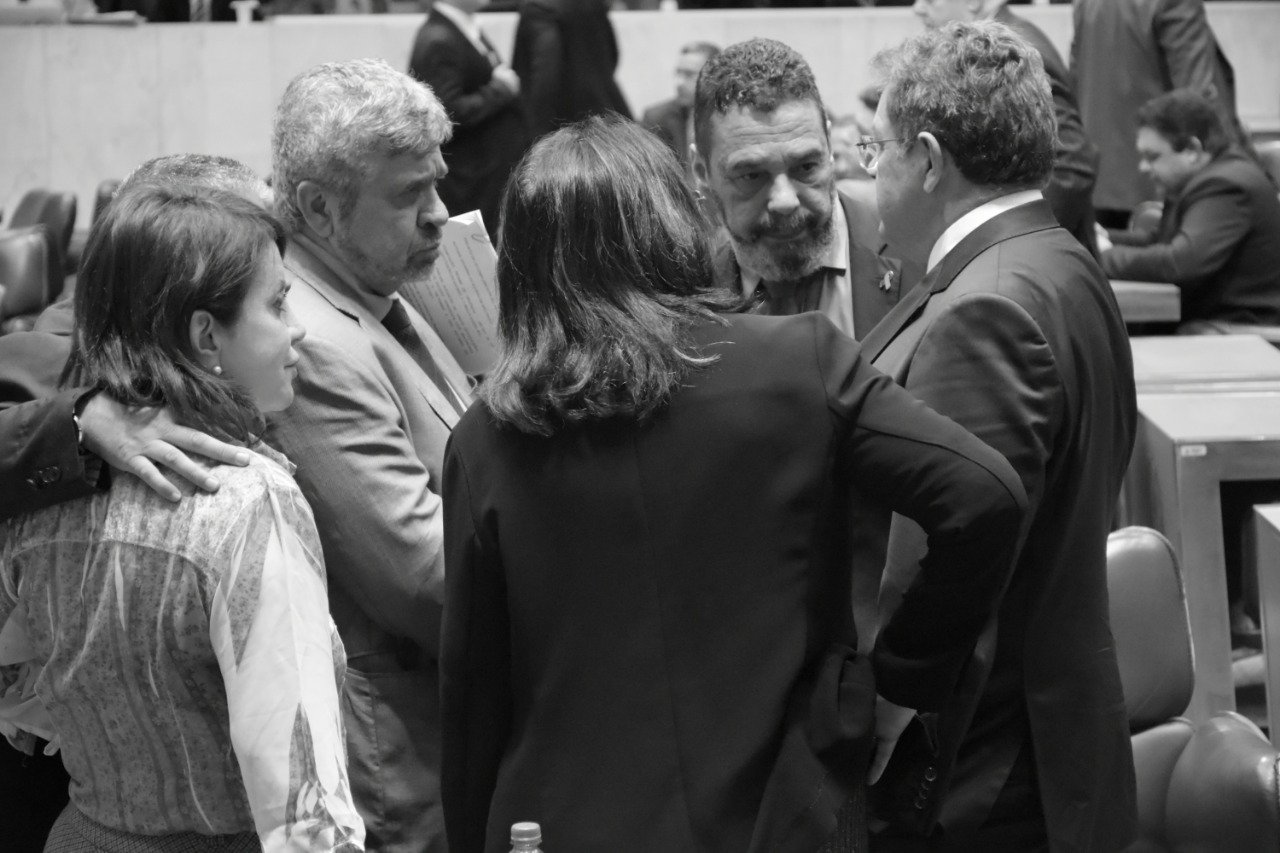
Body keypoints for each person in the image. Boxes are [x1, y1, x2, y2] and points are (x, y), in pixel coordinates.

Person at [439, 114, 1028, 853]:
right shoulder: (799, 363)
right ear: (674, 224)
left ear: (522, 263)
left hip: (564, 821)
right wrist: (902, 681)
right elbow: (985, 496)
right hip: (784, 808)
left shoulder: (486, 439)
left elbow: (474, 691)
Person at [1, 183, 363, 852]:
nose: (298, 327)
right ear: (205, 334)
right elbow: (302, 808)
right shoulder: (248, 500)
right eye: (277, 302)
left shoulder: (38, 495)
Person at [858, 21, 1137, 850]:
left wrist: (888, 699)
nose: (868, 172)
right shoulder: (1062, 259)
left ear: (928, 158)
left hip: (987, 765)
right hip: (1049, 732)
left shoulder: (984, 306)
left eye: (876, 149)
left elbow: (949, 550)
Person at [267, 58, 471, 853]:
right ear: (319, 207)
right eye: (408, 194)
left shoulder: (374, 289)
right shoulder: (309, 343)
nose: (439, 215)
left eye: (436, 183)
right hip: (409, 753)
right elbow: (427, 578)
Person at [691, 38, 918, 342]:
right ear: (701, 172)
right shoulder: (684, 291)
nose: (785, 201)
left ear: (829, 147)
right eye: (752, 175)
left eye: (806, 167)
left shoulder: (918, 253)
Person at [911, 0, 1100, 255]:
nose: (918, 8)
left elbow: (1073, 163)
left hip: (1031, 259)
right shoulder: (988, 48)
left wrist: (1017, 240)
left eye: (930, 0)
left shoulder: (1013, 53)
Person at [1100, 88, 1280, 327]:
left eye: (1153, 156)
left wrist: (1099, 256)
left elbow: (1180, 262)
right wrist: (1104, 237)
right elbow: (1162, 241)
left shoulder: (1226, 185)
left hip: (1238, 330)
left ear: (1192, 150)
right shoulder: (1200, 179)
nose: (1143, 167)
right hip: (1211, 323)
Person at [1072, 0, 1248, 227]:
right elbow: (1198, 107)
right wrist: (1247, 176)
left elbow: (1075, 82)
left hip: (1099, 182)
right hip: (1161, 186)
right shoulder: (1176, 3)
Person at [408, 0, 530, 240]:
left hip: (486, 177)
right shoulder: (439, 39)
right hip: (469, 182)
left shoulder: (461, 27)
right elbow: (446, 114)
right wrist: (500, 90)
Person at [511, 0, 631, 140]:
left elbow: (545, 76)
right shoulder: (593, 4)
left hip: (565, 126)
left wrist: (538, 134)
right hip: (606, 112)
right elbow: (612, 54)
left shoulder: (538, 8)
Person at [641, 41, 720, 173]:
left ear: (714, 76)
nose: (679, 83)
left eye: (689, 74)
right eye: (678, 73)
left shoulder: (730, 117)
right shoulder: (656, 118)